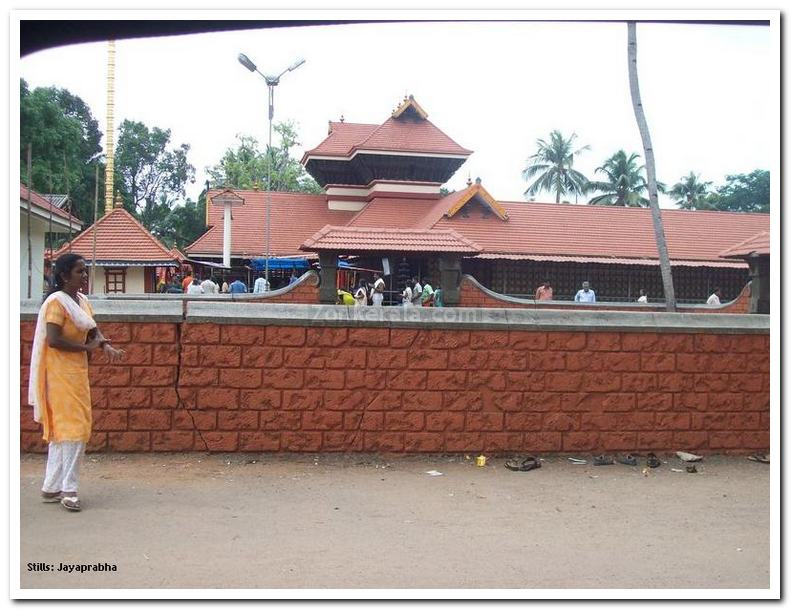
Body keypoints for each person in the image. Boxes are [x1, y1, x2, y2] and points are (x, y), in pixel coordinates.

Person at [28, 253, 125, 512]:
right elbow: (54, 340)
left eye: (85, 271)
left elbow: (92, 328)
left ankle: (51, 486)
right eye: (79, 271)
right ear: (63, 276)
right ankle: (68, 490)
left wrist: (104, 346)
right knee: (74, 430)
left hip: (76, 373)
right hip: (58, 374)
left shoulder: (81, 301)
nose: (84, 275)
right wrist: (88, 347)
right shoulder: (56, 303)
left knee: (66, 430)